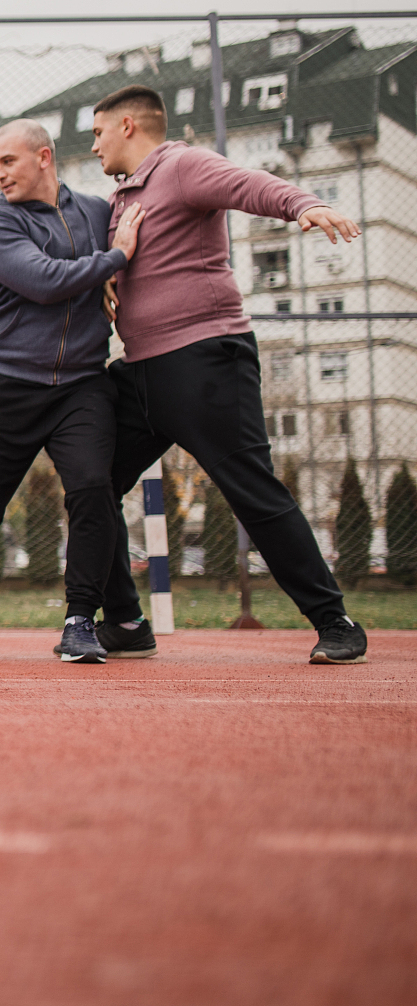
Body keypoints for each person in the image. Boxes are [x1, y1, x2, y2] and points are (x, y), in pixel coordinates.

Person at [91, 84, 368, 663]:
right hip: (140, 370)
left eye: (96, 134)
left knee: (251, 489)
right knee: (88, 481)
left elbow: (248, 185)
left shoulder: (182, 165)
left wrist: (303, 205)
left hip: (203, 361)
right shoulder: (122, 198)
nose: (93, 147)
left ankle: (334, 621)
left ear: (126, 127)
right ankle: (123, 619)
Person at [0, 119, 146, 664]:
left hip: (83, 384)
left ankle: (80, 622)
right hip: (10, 384)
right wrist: (116, 259)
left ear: (43, 157)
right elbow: (46, 280)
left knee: (93, 490)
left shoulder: (96, 211)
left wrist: (118, 274)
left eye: (8, 162)